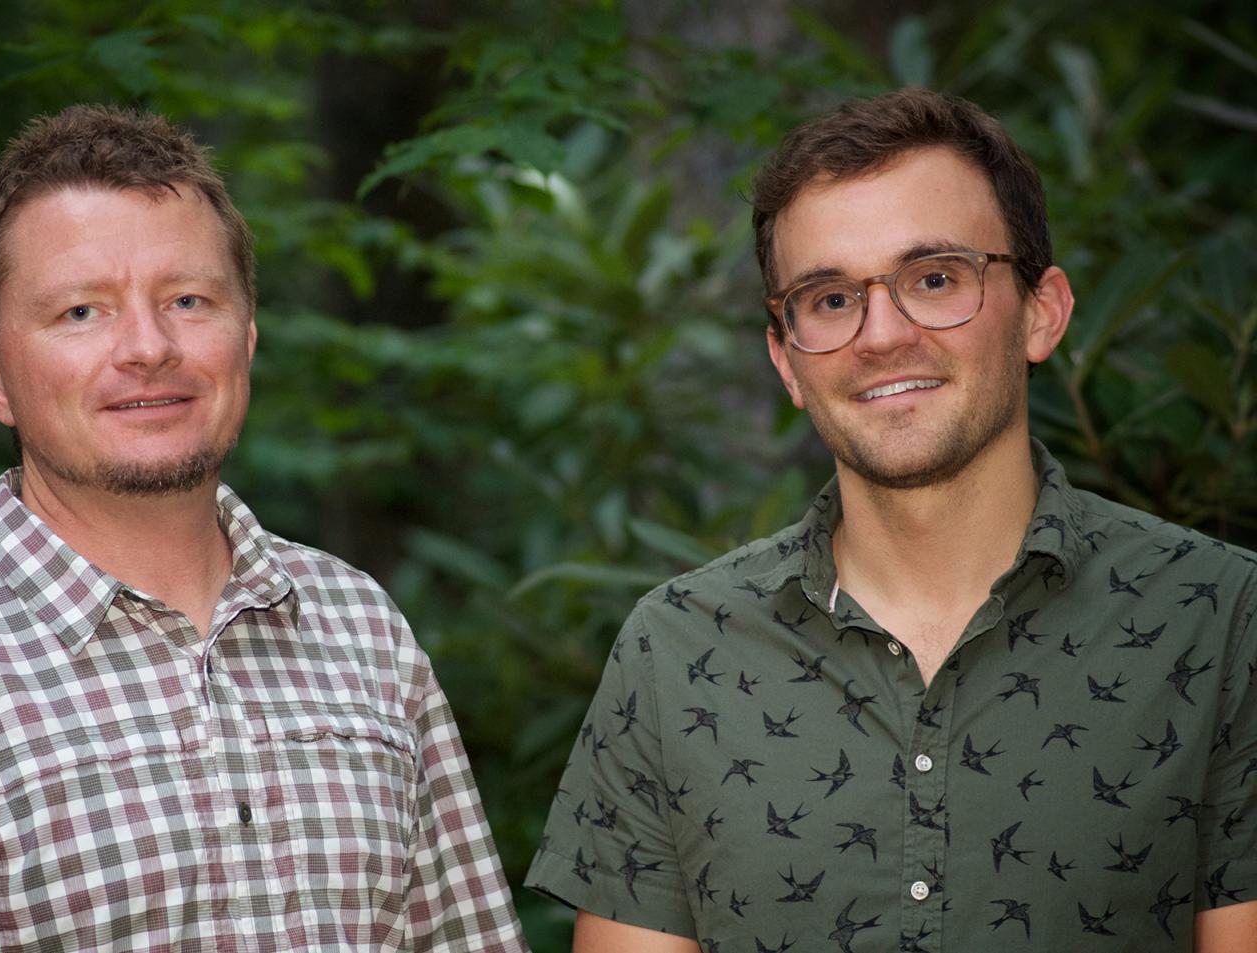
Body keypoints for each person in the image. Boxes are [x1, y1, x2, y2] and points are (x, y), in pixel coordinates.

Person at [525, 88, 1257, 952]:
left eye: (934, 278)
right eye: (830, 298)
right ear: (785, 359)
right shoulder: (677, 651)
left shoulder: (1219, 619)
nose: (880, 334)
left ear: (1042, 311)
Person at [0, 105, 528, 953]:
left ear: (249, 337)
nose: (148, 347)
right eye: (83, 311)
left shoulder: (363, 628)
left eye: (188, 299)